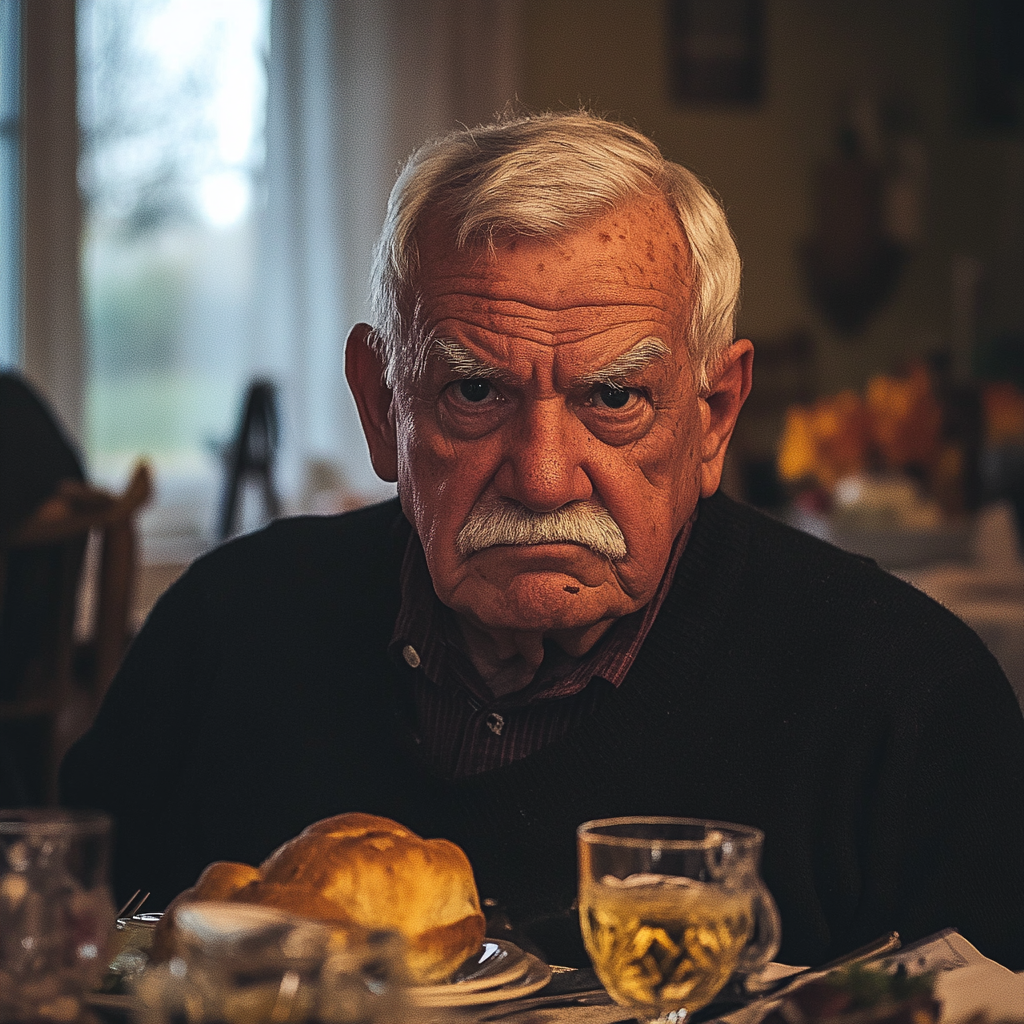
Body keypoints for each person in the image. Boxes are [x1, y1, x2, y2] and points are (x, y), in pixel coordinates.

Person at [60, 111, 1024, 970]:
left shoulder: (905, 699)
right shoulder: (225, 631)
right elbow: (56, 965)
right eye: (475, 391)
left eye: (614, 398)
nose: (544, 476)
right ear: (380, 402)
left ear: (716, 417)